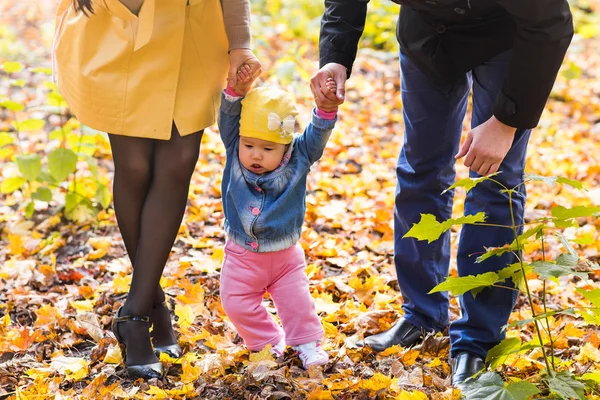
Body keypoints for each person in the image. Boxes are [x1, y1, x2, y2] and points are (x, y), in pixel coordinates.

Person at [311, 0, 573, 387]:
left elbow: (552, 24)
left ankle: (478, 339)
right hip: (426, 34)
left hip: (507, 34)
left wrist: (505, 122)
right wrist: (336, 56)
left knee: (495, 179)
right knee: (420, 169)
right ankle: (422, 315)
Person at [53, 0, 260, 379]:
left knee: (179, 162)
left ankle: (135, 312)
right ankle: (152, 303)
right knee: (133, 166)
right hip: (121, 25)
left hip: (193, 30)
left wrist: (240, 42)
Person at [216, 68, 339, 369]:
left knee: (297, 304)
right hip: (243, 255)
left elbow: (317, 134)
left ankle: (307, 345)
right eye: (250, 146)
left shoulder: (300, 156)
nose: (255, 155)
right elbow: (229, 118)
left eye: (267, 149)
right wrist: (235, 89)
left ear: (286, 146)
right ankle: (269, 342)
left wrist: (326, 109)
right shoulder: (235, 147)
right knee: (235, 302)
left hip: (284, 257)